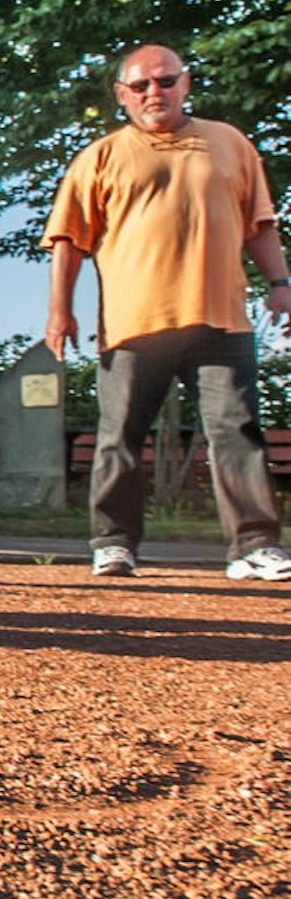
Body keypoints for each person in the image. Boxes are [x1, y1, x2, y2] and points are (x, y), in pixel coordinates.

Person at [43, 45, 291, 584]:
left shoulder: (228, 143)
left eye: (165, 81)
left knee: (237, 431)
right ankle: (113, 544)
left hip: (220, 316)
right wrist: (59, 312)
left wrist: (280, 285)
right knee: (121, 436)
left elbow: (260, 224)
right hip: (136, 322)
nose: (153, 93)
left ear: (185, 83)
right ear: (122, 96)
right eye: (140, 86)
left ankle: (254, 546)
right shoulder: (101, 157)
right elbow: (68, 240)